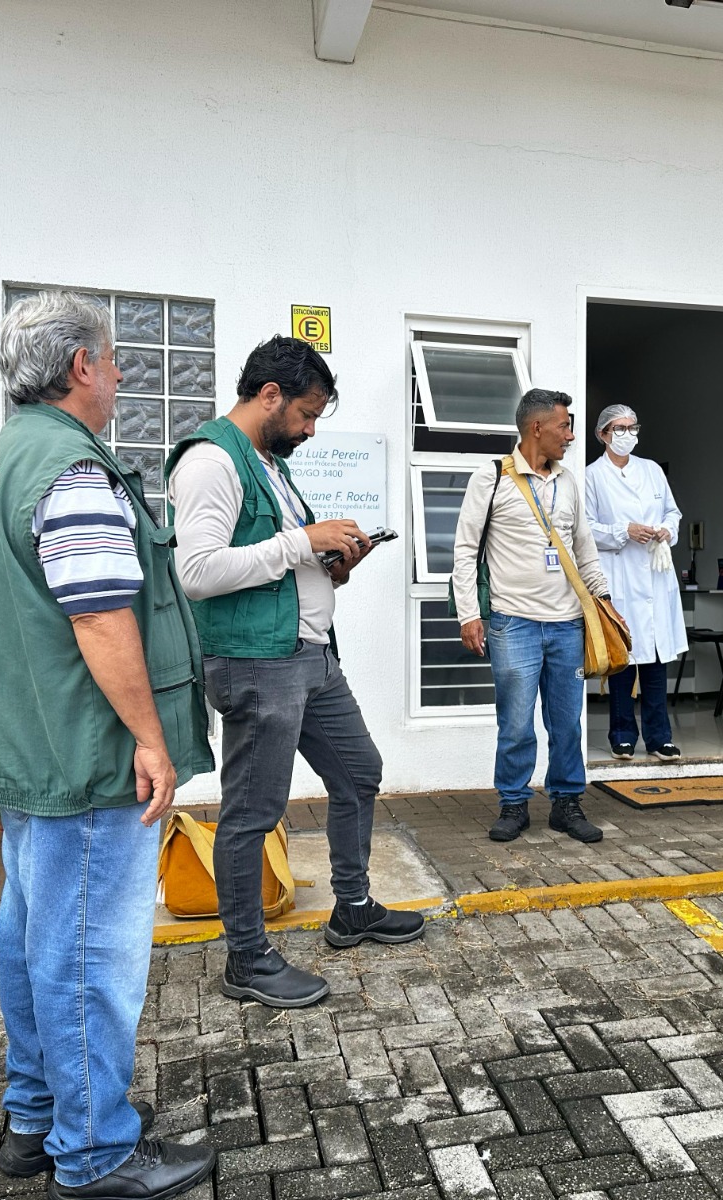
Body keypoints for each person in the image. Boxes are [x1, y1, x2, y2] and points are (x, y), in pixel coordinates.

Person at [0, 291, 215, 1200]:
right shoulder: (71, 469)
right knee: (86, 959)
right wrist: (150, 739)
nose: (119, 376)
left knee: (32, 939)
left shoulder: (0, 461)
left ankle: (35, 1120)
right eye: (112, 362)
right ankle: (96, 1152)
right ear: (79, 368)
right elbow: (103, 618)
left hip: (29, 752)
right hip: (85, 756)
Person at [166, 335, 424, 1011]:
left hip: (309, 657)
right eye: (306, 415)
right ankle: (247, 959)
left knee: (357, 771)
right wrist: (301, 542)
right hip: (256, 664)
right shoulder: (211, 461)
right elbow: (196, 574)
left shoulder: (267, 462)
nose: (310, 430)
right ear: (270, 395)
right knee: (253, 813)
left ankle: (353, 907)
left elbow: (278, 559)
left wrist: (335, 558)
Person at [452, 389, 615, 845]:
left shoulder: (568, 482)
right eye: (564, 426)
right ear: (536, 428)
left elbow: (584, 548)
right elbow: (465, 551)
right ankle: (514, 804)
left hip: (567, 623)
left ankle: (566, 803)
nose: (571, 435)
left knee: (567, 722)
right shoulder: (491, 479)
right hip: (512, 623)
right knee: (517, 723)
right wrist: (470, 614)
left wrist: (603, 602)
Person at [584, 404, 685, 760]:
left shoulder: (652, 470)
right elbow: (584, 529)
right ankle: (622, 734)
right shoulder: (591, 476)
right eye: (618, 428)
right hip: (619, 573)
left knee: (656, 659)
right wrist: (623, 530)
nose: (627, 433)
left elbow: (673, 511)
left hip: (655, 574)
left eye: (632, 427)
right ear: (603, 434)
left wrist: (666, 530)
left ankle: (660, 738)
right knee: (623, 657)